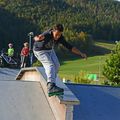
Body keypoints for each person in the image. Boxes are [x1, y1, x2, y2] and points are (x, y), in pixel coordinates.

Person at [33, 24, 87, 96]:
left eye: (59, 35)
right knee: (50, 65)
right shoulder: (47, 34)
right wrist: (37, 38)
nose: (57, 37)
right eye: (56, 34)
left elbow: (69, 47)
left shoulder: (60, 37)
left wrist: (80, 53)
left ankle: (52, 82)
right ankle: (51, 86)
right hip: (40, 51)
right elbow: (36, 37)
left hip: (49, 50)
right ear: (53, 31)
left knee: (57, 65)